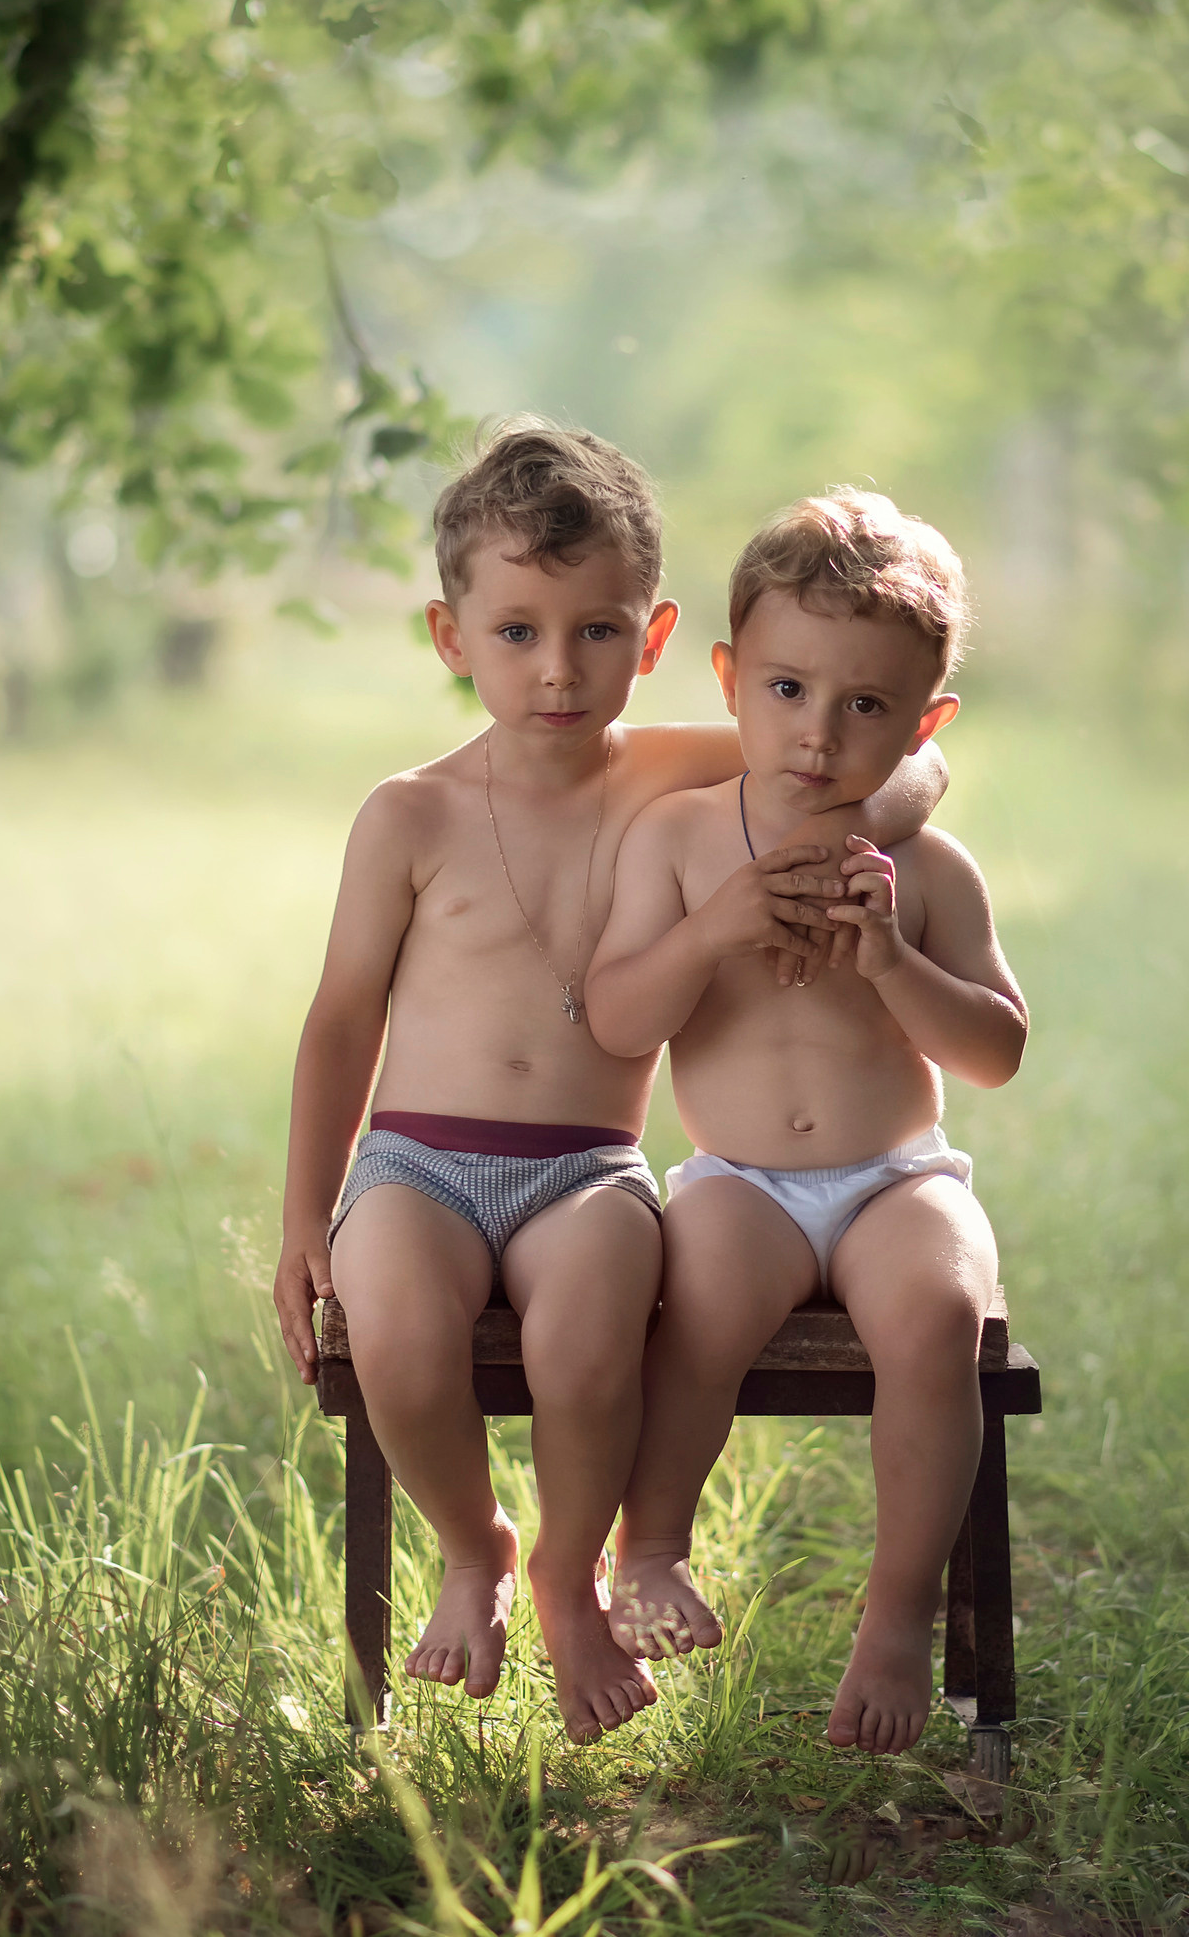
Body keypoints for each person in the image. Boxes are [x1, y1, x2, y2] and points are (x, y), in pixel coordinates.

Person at [271, 426, 947, 1743]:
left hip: (589, 1169)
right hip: (416, 1160)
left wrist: (857, 826)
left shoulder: (683, 763)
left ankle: (572, 1568)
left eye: (596, 630)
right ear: (450, 634)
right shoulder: (408, 814)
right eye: (516, 630)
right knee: (399, 1325)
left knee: (590, 1331)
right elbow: (341, 1016)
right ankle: (475, 1546)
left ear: (654, 636)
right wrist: (308, 1214)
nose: (557, 668)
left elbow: (913, 760)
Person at [583, 487, 1029, 1755]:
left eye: (866, 706)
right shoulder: (674, 842)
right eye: (786, 690)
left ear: (925, 722)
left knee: (939, 1313)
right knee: (703, 1296)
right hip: (740, 1177)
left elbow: (995, 1049)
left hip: (895, 1177)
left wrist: (891, 964)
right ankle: (652, 1545)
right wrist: (709, 928)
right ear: (729, 679)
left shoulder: (929, 874)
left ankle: (895, 1617)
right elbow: (618, 1020)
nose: (819, 735)